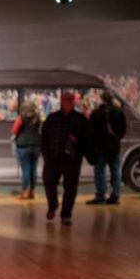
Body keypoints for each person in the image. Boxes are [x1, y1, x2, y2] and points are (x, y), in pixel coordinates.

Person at [40, 92, 92, 226]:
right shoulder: (52, 118)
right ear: (61, 101)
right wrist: (45, 154)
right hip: (52, 158)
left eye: (70, 99)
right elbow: (44, 137)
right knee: (48, 182)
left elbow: (87, 140)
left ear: (74, 101)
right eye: (65, 99)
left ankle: (66, 214)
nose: (68, 101)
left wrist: (78, 148)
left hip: (72, 160)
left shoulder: (81, 119)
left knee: (70, 187)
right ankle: (53, 205)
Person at [88, 91, 126, 205]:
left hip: (100, 146)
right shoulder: (119, 112)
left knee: (99, 170)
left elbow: (91, 131)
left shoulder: (95, 113)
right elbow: (122, 131)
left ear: (101, 99)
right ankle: (115, 196)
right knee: (115, 170)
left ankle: (100, 196)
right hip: (114, 145)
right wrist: (116, 138)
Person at [12, 100, 42, 200]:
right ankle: (32, 192)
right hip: (36, 144)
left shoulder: (20, 117)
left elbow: (14, 130)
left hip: (23, 145)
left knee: (25, 169)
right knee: (33, 169)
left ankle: (24, 191)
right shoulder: (37, 117)